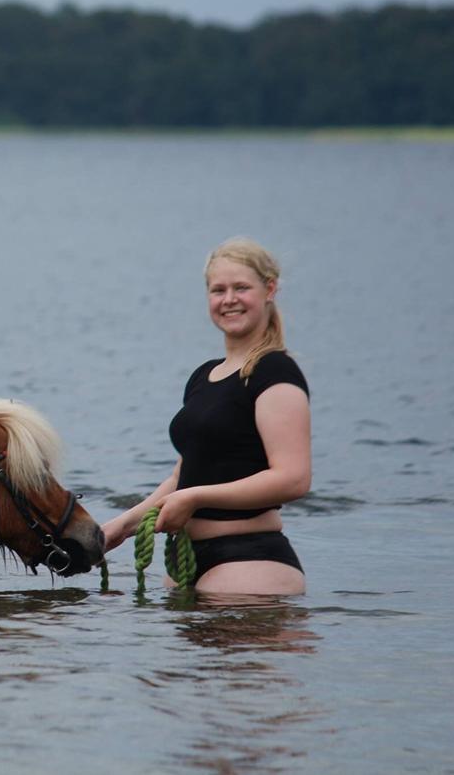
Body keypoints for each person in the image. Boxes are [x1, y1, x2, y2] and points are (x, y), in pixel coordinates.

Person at [103, 238, 311, 595]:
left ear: (270, 289)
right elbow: (183, 477)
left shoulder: (274, 371)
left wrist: (195, 498)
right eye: (218, 290)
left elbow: (293, 479)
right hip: (189, 561)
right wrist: (120, 528)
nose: (229, 299)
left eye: (241, 288)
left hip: (252, 560)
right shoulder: (204, 376)